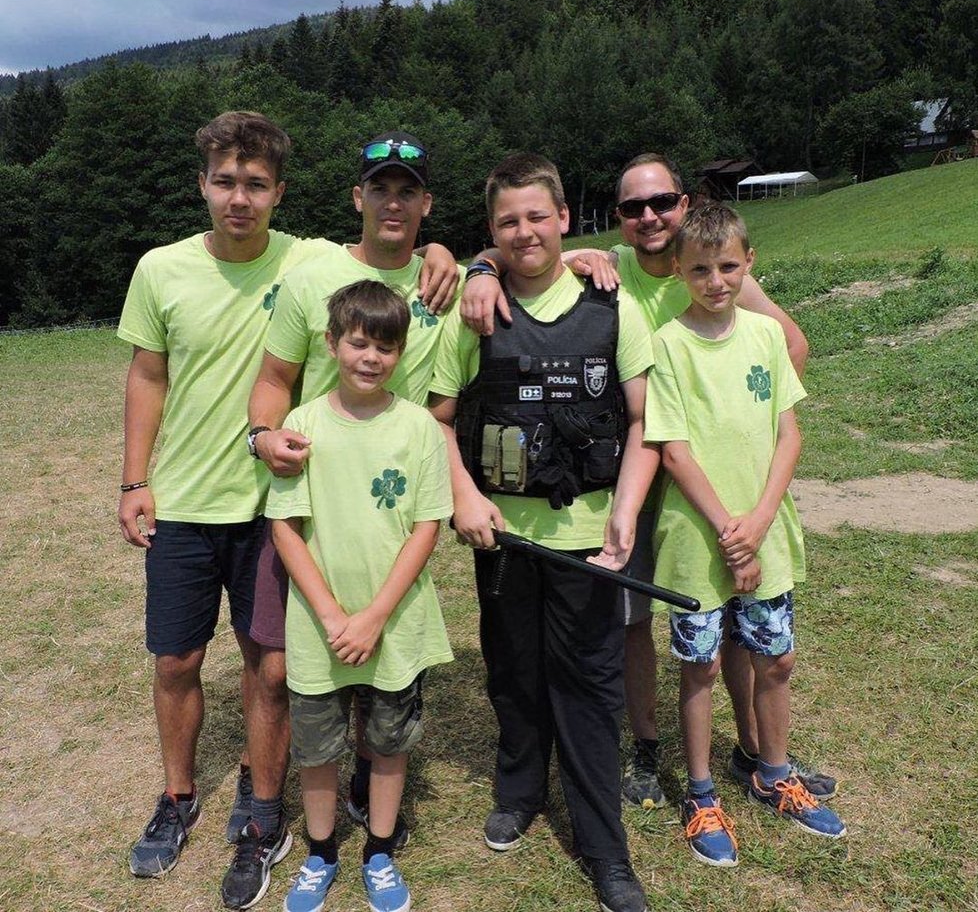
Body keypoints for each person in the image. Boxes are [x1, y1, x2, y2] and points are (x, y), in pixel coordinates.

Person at [117, 112, 457, 903]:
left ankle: (269, 803)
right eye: (227, 181)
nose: (240, 196)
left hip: (300, 508)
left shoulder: (335, 263)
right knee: (179, 659)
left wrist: (449, 253)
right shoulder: (182, 268)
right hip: (213, 497)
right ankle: (179, 796)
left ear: (280, 192)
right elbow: (154, 376)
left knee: (276, 670)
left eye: (256, 183)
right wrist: (139, 479)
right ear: (202, 184)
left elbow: (416, 244)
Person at [459, 152, 834, 812]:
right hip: (639, 478)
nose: (648, 216)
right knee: (632, 623)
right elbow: (524, 242)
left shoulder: (717, 269)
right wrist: (482, 267)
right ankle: (647, 747)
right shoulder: (608, 271)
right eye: (632, 207)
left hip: (714, 485)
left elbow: (790, 348)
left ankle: (754, 746)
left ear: (685, 203)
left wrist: (732, 413)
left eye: (661, 201)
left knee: (739, 622)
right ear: (620, 219)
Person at [232, 131, 462, 907]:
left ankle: (379, 844)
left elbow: (444, 414)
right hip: (315, 542)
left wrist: (474, 260)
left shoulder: (446, 285)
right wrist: (265, 437)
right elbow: (273, 377)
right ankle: (291, 831)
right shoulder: (314, 275)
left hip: (389, 547)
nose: (392, 201)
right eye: (379, 187)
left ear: (426, 203)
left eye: (409, 190)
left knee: (387, 721)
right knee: (282, 679)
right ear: (356, 196)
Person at [429, 154, 658, 912]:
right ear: (490, 232)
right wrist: (464, 495)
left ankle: (604, 844)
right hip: (503, 540)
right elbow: (434, 421)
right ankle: (519, 788)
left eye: (537, 216)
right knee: (513, 673)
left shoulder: (613, 303)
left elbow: (643, 422)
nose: (524, 231)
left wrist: (624, 512)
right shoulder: (475, 309)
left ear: (564, 217)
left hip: (591, 542)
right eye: (506, 221)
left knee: (590, 691)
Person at [644, 202, 846, 867]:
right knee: (699, 666)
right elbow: (673, 449)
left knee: (777, 659)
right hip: (695, 541)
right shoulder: (668, 343)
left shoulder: (765, 336)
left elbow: (790, 433)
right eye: (700, 268)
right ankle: (701, 792)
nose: (715, 280)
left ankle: (772, 770)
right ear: (678, 270)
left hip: (767, 530)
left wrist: (757, 522)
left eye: (728, 266)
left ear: (749, 263)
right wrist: (730, 532)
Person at [266, 280, 453, 912]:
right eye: (357, 343)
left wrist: (373, 617)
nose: (369, 357)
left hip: (393, 625)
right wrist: (331, 615)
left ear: (401, 352)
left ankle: (378, 850)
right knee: (316, 750)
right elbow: (285, 528)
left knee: (388, 742)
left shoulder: (420, 426)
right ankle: (320, 855)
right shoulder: (302, 423)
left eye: (385, 346)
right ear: (331, 343)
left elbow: (427, 527)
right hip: (317, 627)